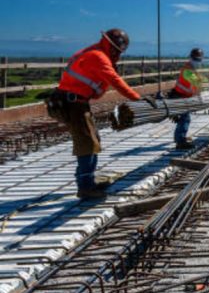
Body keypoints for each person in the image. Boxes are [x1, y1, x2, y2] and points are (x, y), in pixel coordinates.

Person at [53, 29, 155, 199]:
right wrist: (138, 99)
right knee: (87, 144)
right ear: (109, 44)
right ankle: (85, 187)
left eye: (119, 51)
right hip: (72, 104)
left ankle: (89, 181)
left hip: (77, 102)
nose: (117, 54)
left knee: (93, 141)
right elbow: (116, 81)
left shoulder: (98, 53)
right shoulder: (98, 56)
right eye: (116, 50)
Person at [168, 48, 207, 150]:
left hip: (184, 97)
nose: (197, 62)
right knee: (185, 118)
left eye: (199, 60)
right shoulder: (187, 70)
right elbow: (197, 82)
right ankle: (180, 142)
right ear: (190, 58)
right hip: (178, 96)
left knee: (184, 118)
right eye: (196, 59)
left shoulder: (192, 69)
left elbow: (198, 84)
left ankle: (179, 139)